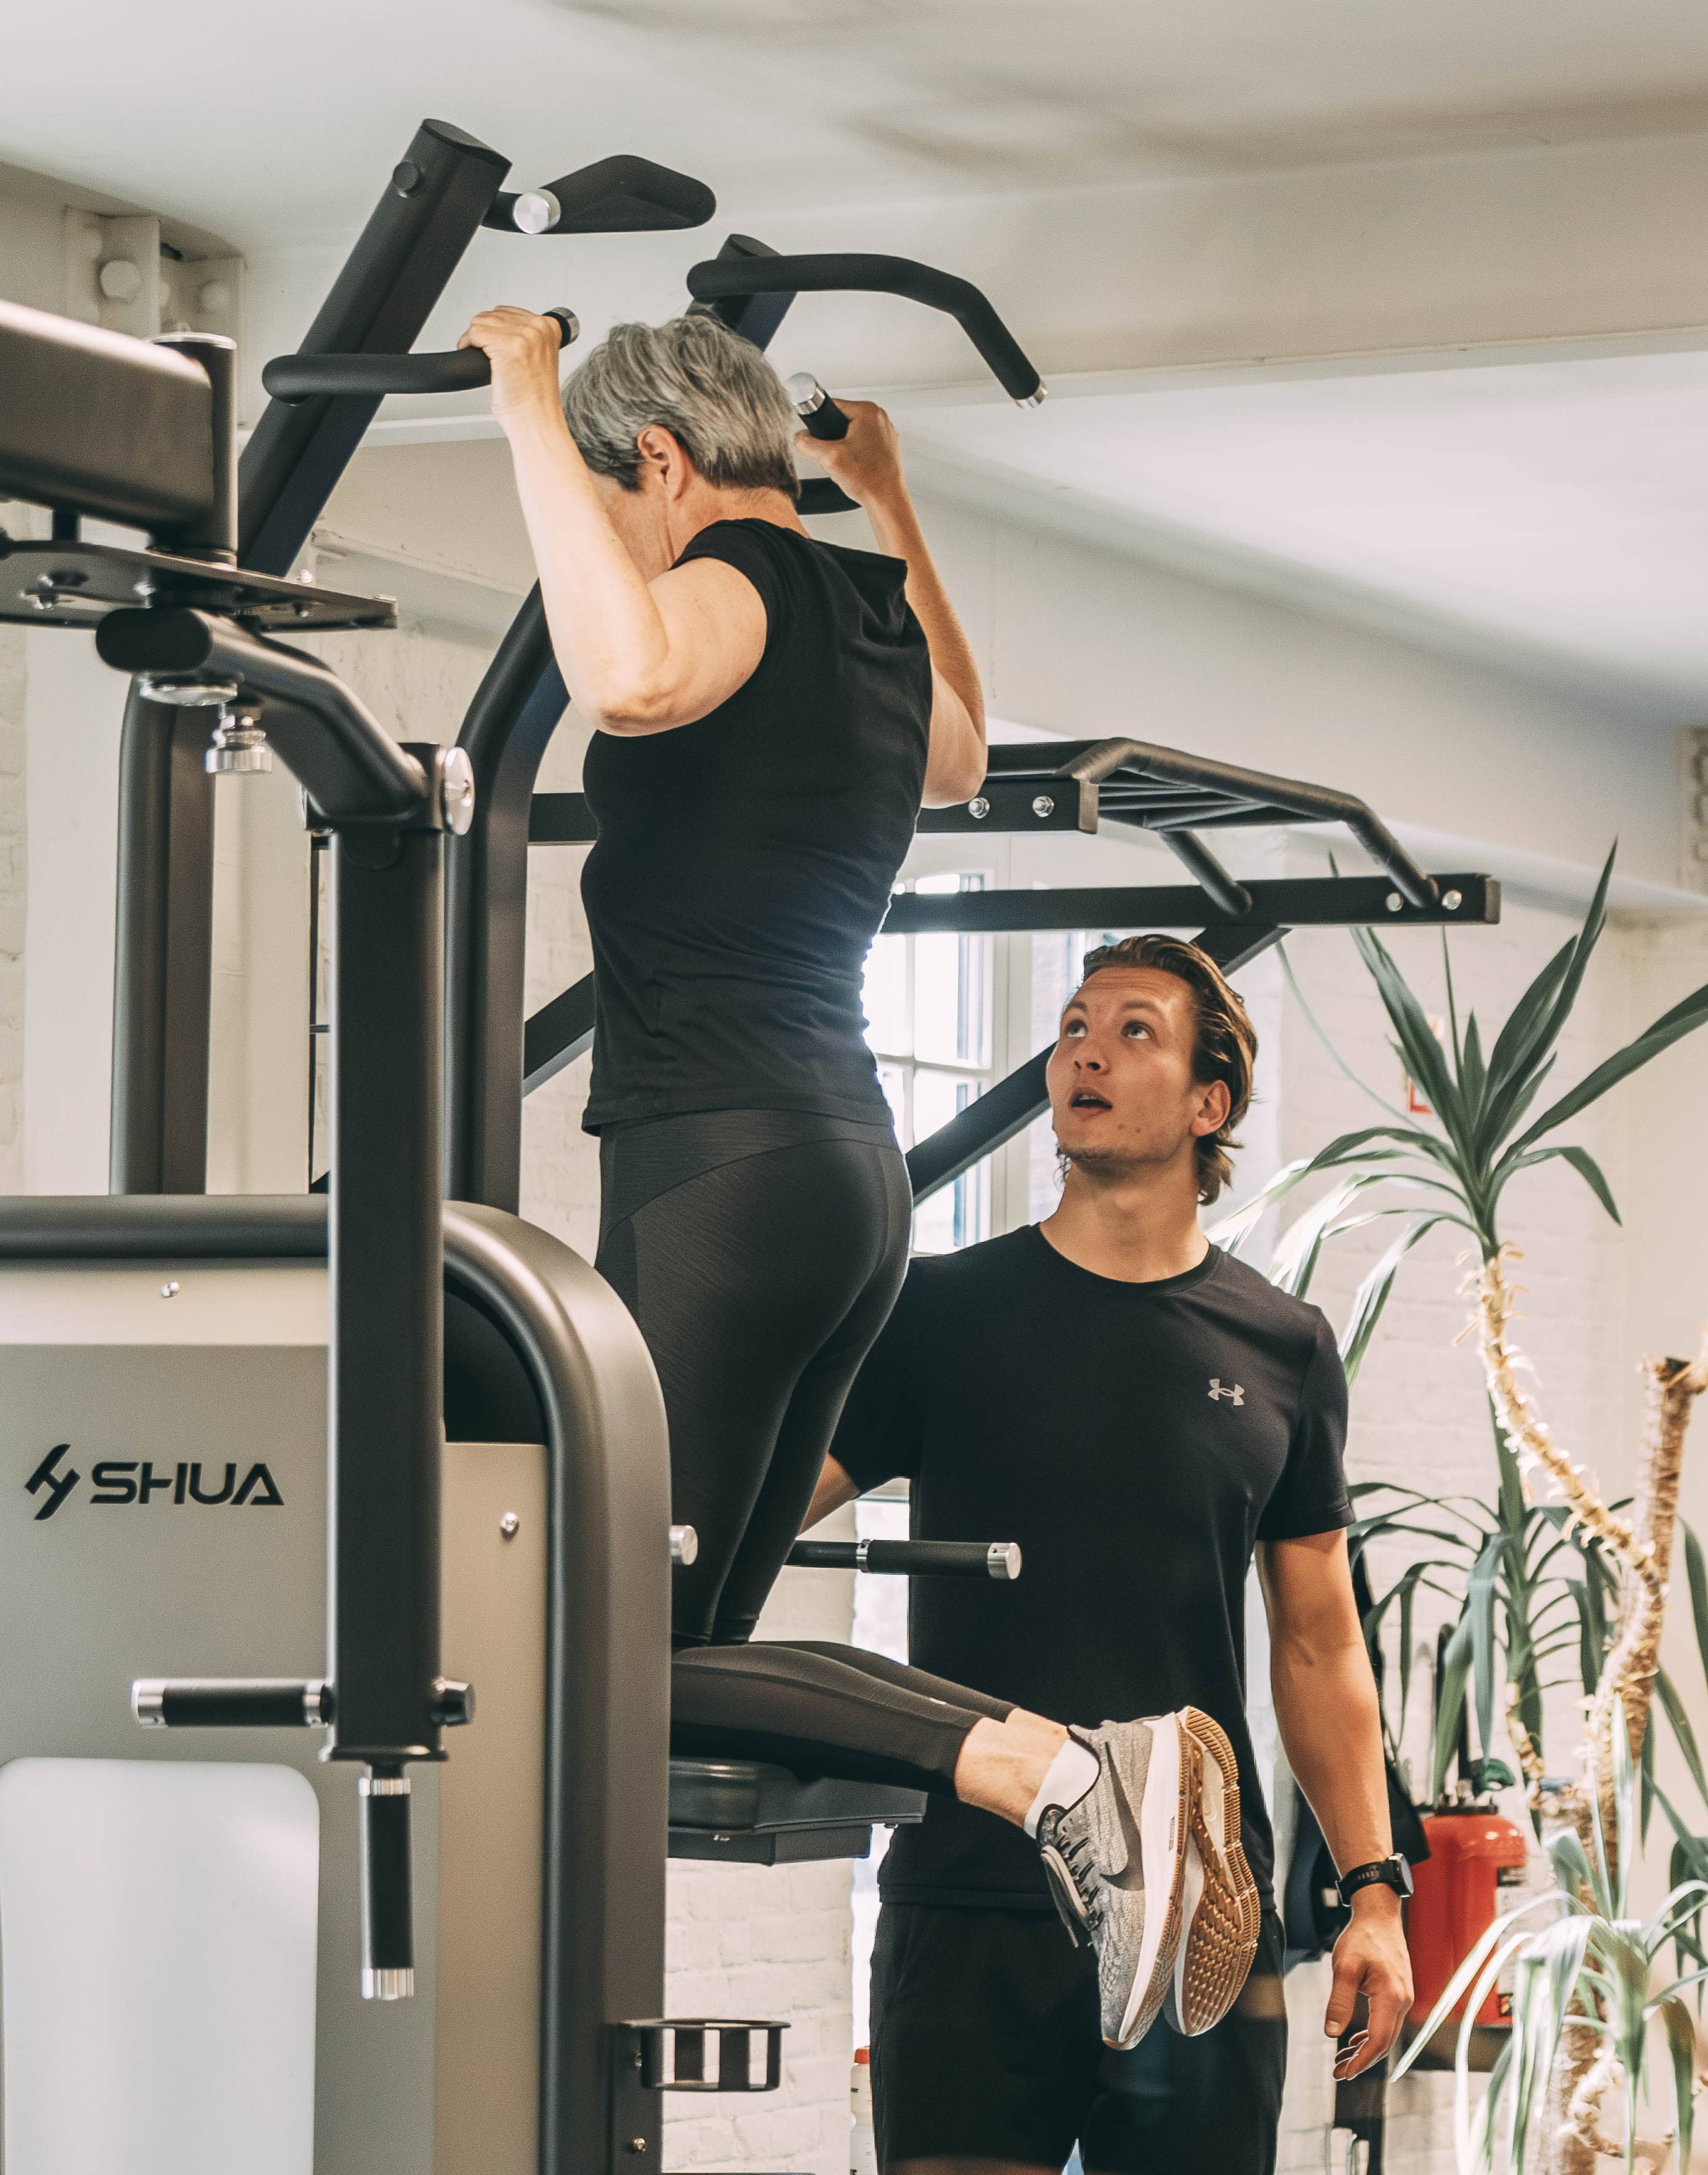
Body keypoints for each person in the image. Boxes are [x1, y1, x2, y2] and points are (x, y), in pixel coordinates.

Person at [456, 307, 1258, 2051]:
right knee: (667, 1665)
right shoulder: (861, 614)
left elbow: (628, 676)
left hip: (722, 1174)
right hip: (837, 1179)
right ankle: (1072, 1775)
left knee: (592, 1650)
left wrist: (526, 391)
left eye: (617, 500)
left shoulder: (732, 586)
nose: (618, 541)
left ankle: (1055, 1766)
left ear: (657, 466)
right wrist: (884, 501)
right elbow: (962, 746)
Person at [806, 934, 1416, 2175]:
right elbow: (755, 1504)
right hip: (970, 1892)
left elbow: (1315, 1639)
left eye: (1133, 1027)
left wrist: (1372, 1890)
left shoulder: (1278, 1344)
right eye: (1075, 1022)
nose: (1083, 1044)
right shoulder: (935, 1312)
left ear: (1209, 1103)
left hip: (1202, 1912)